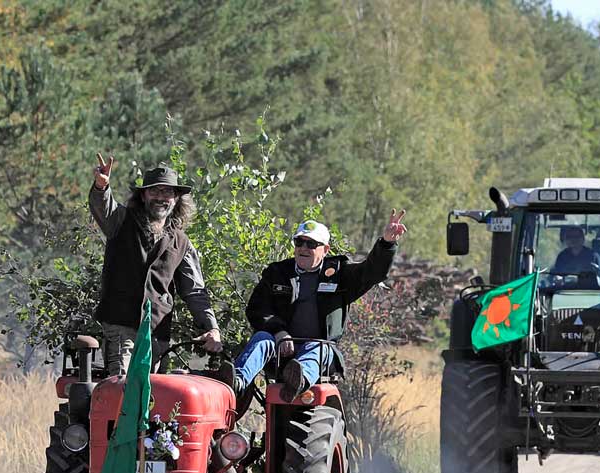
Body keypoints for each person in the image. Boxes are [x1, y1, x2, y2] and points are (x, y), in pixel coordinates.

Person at [234, 210, 408, 402]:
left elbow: (372, 272)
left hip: (318, 353)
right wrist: (279, 331)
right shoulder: (278, 272)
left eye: (311, 244)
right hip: (280, 349)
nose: (303, 248)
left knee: (318, 347)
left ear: (325, 250)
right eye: (299, 242)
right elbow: (257, 308)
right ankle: (236, 383)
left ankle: (297, 381)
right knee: (262, 338)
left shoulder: (339, 274)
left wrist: (386, 243)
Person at [89, 154, 222, 375]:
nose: (161, 197)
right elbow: (104, 208)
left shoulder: (182, 242)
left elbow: (195, 292)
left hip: (157, 333)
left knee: (154, 391)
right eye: (154, 191)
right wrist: (101, 187)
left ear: (176, 199)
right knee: (122, 385)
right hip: (122, 326)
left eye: (167, 192)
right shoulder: (121, 220)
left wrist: (212, 328)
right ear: (143, 196)